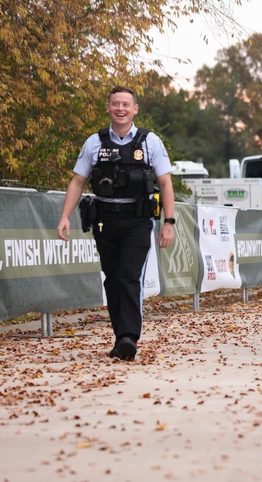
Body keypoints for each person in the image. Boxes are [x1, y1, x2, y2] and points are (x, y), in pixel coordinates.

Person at [56, 85, 176, 361]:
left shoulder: (149, 142)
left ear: (135, 109)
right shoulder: (94, 142)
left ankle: (129, 337)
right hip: (105, 221)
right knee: (112, 279)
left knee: (128, 276)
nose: (120, 109)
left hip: (137, 220)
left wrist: (168, 221)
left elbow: (165, 182)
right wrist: (65, 216)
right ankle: (121, 336)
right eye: (115, 104)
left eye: (126, 104)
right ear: (108, 108)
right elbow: (78, 181)